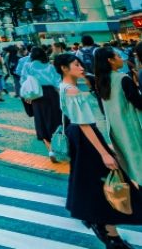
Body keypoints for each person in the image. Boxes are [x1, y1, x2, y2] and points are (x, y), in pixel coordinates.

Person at [56, 52, 142, 248]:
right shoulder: (72, 91)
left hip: (78, 137)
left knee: (91, 183)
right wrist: (104, 153)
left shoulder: (64, 86)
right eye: (76, 65)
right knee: (108, 181)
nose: (81, 67)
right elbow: (84, 124)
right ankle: (109, 233)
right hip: (87, 137)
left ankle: (101, 225)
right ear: (64, 68)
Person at [95, 47, 142, 187]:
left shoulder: (100, 81)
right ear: (110, 60)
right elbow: (138, 103)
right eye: (118, 56)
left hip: (116, 128)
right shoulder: (123, 79)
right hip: (131, 124)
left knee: (130, 159)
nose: (121, 59)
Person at [20, 47, 64, 162]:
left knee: (41, 122)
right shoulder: (50, 66)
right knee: (56, 121)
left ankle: (51, 150)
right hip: (52, 94)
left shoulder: (28, 66)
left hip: (37, 96)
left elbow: (23, 81)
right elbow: (58, 82)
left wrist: (27, 97)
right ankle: (60, 145)